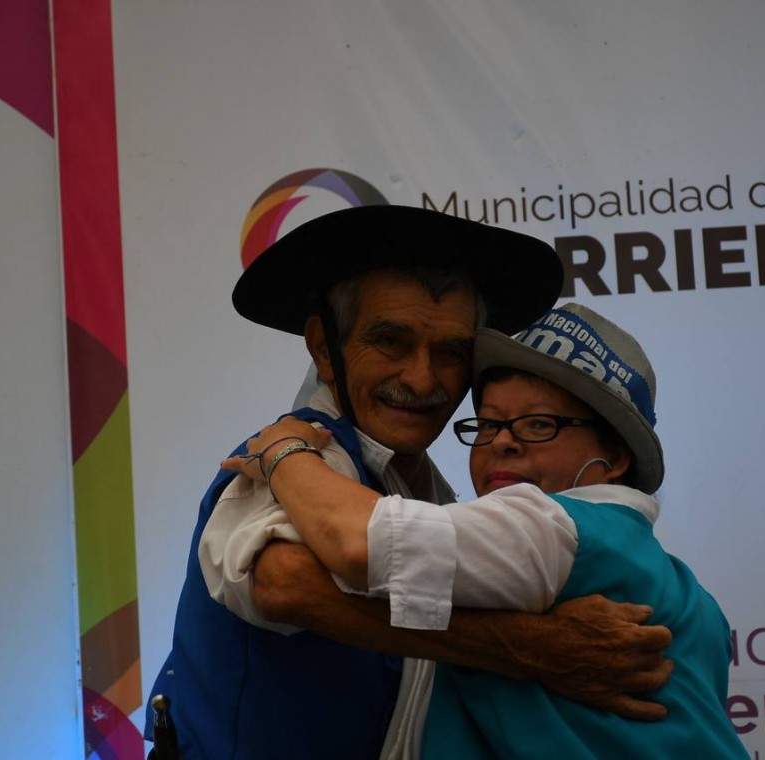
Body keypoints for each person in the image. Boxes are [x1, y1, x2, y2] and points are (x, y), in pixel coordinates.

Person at [146, 206, 674, 760]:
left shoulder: (437, 497)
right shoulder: (286, 461)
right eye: (391, 342)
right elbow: (287, 585)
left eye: (451, 352)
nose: (422, 379)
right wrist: (531, 645)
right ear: (324, 347)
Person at [223, 301, 750, 759]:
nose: (503, 442)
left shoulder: (544, 525)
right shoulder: (695, 600)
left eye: (539, 424)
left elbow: (358, 542)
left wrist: (284, 450)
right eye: (490, 424)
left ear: (614, 457)